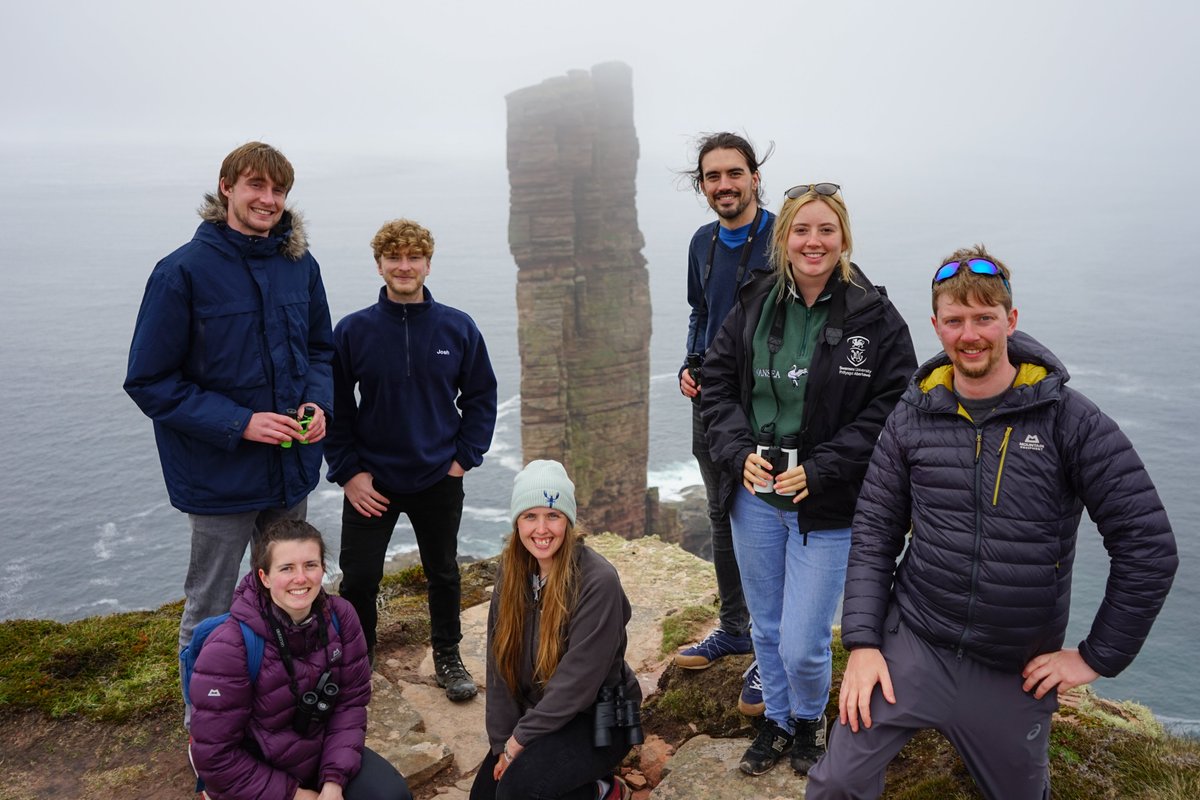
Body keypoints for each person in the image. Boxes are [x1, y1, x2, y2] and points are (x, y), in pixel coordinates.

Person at [806, 247, 1178, 799]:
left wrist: (1097, 656)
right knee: (835, 783)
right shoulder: (911, 417)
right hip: (914, 643)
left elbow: (1147, 545)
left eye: (984, 318)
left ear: (1012, 319)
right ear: (936, 327)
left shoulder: (1068, 420)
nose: (970, 334)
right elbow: (876, 534)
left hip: (1013, 665)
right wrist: (863, 643)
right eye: (955, 321)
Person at [702, 183, 916, 777]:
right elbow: (716, 385)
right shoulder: (753, 302)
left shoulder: (874, 316)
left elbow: (894, 407)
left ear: (843, 237)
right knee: (766, 627)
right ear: (784, 239)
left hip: (829, 501)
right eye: (801, 230)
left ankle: (810, 717)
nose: (813, 241)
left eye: (826, 230)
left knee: (804, 640)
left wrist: (821, 469)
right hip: (754, 493)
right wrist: (737, 450)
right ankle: (779, 721)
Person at [124, 141, 334, 717]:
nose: (268, 200)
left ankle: (287, 705)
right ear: (226, 189)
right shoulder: (181, 273)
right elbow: (149, 381)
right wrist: (240, 423)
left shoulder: (300, 264)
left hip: (291, 472)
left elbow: (321, 349)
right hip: (219, 480)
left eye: (279, 190)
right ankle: (207, 728)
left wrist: (320, 406)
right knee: (212, 607)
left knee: (296, 595)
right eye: (255, 187)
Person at [326, 218, 497, 701]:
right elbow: (334, 405)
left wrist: (463, 459)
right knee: (359, 576)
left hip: (437, 475)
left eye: (413, 257)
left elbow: (481, 396)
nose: (404, 266)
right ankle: (358, 661)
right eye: (394, 257)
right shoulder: (354, 330)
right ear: (379, 264)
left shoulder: (456, 326)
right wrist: (349, 473)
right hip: (370, 480)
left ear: (427, 263)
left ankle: (448, 655)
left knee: (443, 570)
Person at [188, 519, 412, 800]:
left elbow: (350, 704)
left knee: (392, 796)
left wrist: (333, 781)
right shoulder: (229, 647)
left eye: (310, 565)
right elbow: (216, 758)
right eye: (286, 568)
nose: (301, 578)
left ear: (323, 569)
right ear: (264, 577)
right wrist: (296, 795)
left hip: (318, 752)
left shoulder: (341, 617)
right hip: (254, 768)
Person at [674, 133, 776, 717]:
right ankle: (735, 627)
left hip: (770, 401)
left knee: (770, 517)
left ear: (754, 176)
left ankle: (770, 645)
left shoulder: (786, 238)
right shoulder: (702, 243)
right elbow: (701, 313)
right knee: (721, 513)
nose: (724, 186)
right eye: (713, 177)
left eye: (734, 174)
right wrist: (692, 364)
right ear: (703, 184)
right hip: (714, 402)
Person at [471, 460, 640, 800]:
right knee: (484, 797)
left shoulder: (597, 582)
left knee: (517, 793)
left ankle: (602, 790)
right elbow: (498, 664)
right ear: (517, 522)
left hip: (598, 719)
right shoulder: (511, 570)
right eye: (530, 516)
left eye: (553, 515)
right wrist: (500, 743)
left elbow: (575, 685)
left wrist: (518, 743)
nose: (541, 529)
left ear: (569, 521)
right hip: (539, 713)